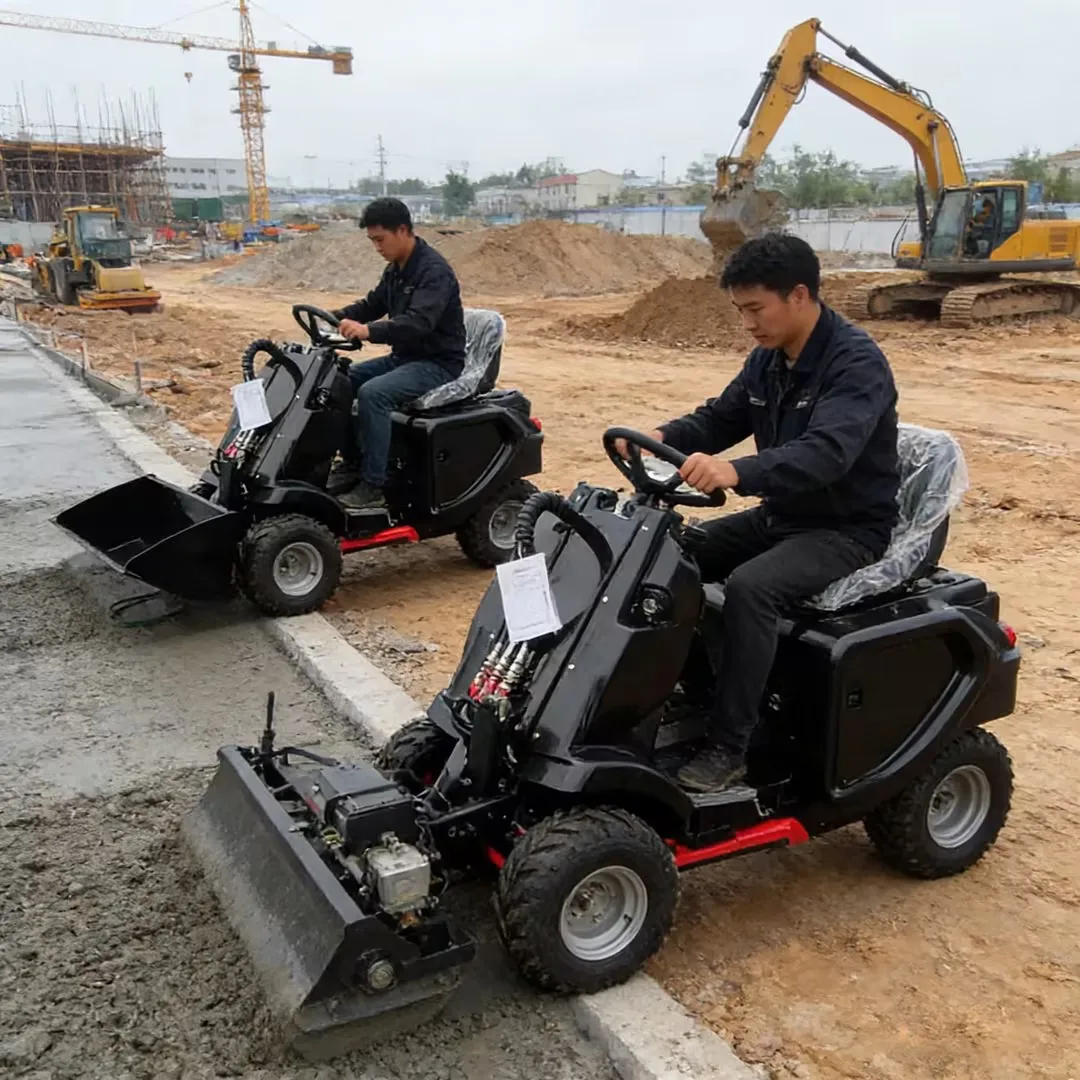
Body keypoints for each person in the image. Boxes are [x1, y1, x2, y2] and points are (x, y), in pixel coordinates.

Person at [624, 234, 900, 793]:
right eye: (740, 310)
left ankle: (731, 746)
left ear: (798, 296)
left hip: (845, 528)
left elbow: (827, 453)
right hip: (783, 517)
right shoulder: (768, 361)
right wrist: (661, 437)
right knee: (666, 555)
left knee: (752, 588)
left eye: (755, 309)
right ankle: (698, 687)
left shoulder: (855, 363)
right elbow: (719, 419)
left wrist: (737, 473)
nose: (747, 323)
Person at [331, 197, 466, 508]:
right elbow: (372, 305)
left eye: (380, 239)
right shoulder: (396, 269)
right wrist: (337, 316)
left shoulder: (434, 271)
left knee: (373, 394)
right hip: (404, 358)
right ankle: (352, 463)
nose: (377, 247)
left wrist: (369, 331)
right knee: (339, 381)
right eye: (372, 241)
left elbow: (419, 323)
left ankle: (373, 485)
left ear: (403, 230)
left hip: (437, 363)